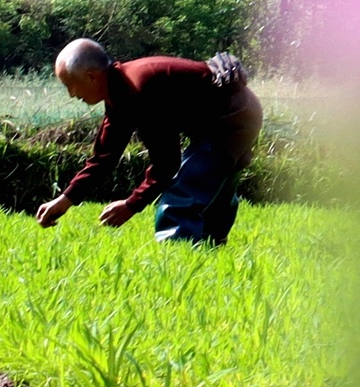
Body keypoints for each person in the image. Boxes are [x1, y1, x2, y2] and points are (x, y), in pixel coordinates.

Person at [35, 40, 262, 246]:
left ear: (91, 76)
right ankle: (211, 254)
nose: (71, 95)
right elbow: (104, 158)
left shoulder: (140, 90)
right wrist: (65, 199)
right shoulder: (121, 91)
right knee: (213, 192)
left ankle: (177, 264)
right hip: (239, 114)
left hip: (232, 120)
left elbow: (167, 164)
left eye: (69, 85)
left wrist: (131, 205)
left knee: (180, 198)